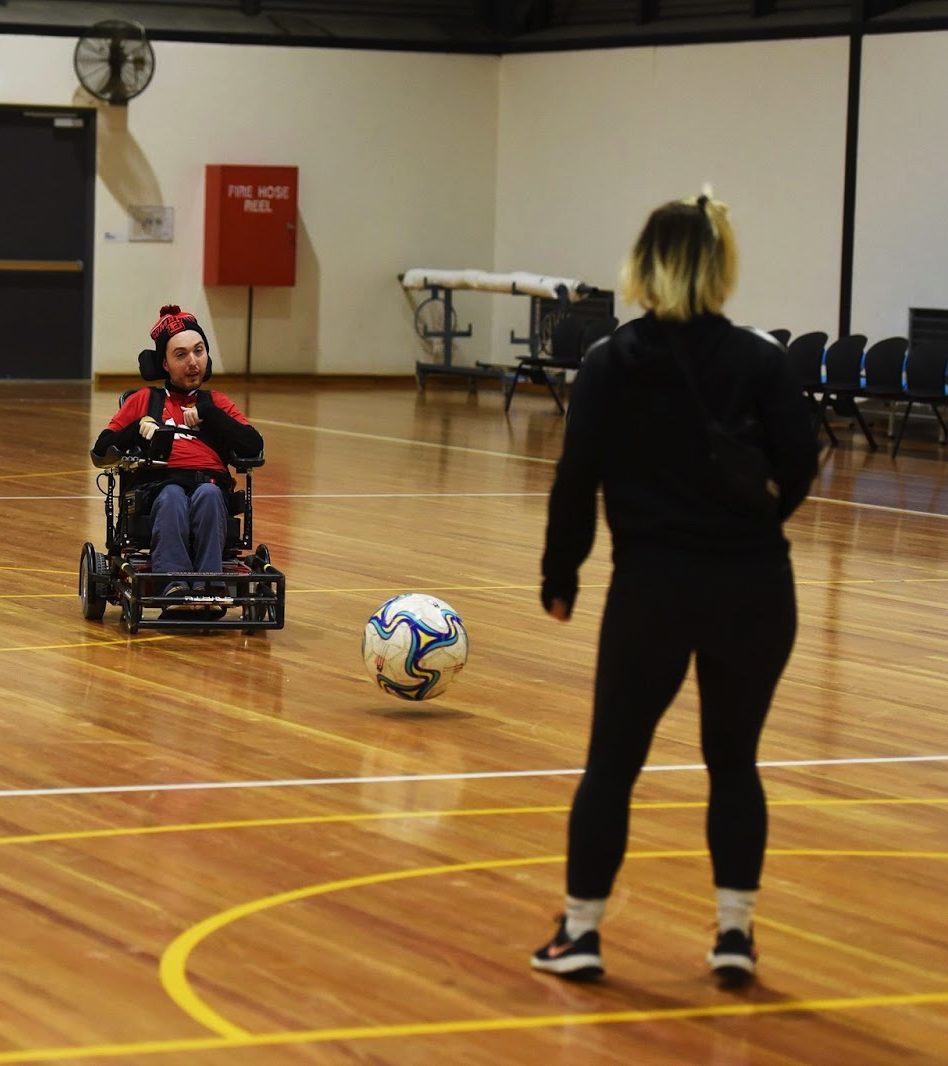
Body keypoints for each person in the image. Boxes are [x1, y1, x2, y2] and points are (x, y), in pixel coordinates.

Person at [530, 193, 820, 986]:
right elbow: (799, 466)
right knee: (734, 761)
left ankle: (580, 932)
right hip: (756, 589)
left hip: (652, 590)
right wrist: (750, 526)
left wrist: (561, 574)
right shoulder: (762, 361)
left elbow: (575, 480)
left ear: (643, 266)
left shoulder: (611, 363)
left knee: (613, 763)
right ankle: (734, 934)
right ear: (721, 266)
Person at [92, 304, 263, 612]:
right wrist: (136, 429)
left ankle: (209, 587)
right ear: (165, 364)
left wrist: (211, 416)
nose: (193, 362)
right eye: (181, 355)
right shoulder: (145, 400)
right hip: (158, 487)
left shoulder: (217, 403)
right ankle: (173, 586)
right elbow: (101, 450)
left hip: (210, 484)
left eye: (199, 351)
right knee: (172, 495)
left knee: (209, 495)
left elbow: (253, 446)